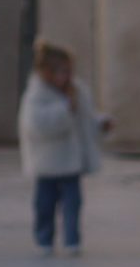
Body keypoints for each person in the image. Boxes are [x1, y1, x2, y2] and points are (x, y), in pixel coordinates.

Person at [17, 38, 103, 255]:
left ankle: (72, 240)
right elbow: (37, 125)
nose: (68, 77)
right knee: (44, 206)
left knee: (73, 205)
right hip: (47, 164)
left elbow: (85, 119)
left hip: (71, 164)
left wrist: (100, 123)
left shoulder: (76, 91)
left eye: (69, 71)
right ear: (46, 72)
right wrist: (65, 109)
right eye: (62, 72)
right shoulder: (36, 95)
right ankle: (44, 239)